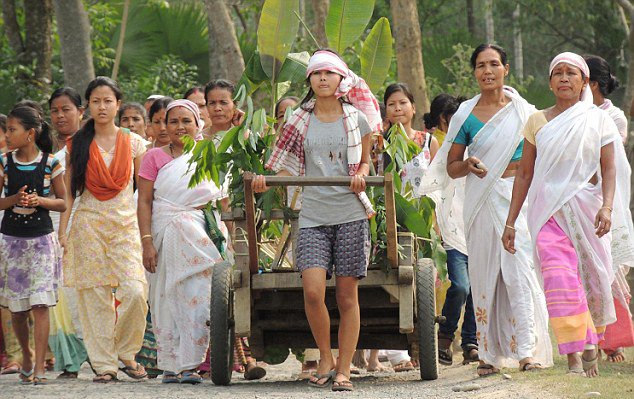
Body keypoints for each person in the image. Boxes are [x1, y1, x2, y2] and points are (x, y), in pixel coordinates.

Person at [417, 44, 553, 377]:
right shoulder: (464, 115)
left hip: (515, 200)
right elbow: (451, 167)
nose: (487, 71)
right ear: (474, 71)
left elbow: (539, 160)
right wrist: (468, 164)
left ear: (506, 68)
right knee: (483, 274)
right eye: (481, 65)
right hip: (479, 203)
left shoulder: (525, 112)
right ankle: (488, 353)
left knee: (518, 271)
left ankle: (526, 350)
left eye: (494, 64)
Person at [254, 49, 381, 392]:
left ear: (341, 80)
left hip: (351, 213)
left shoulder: (357, 119)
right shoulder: (297, 118)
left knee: (346, 296)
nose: (323, 79)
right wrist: (268, 180)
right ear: (309, 80)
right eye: (317, 74)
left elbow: (367, 163)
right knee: (312, 292)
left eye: (329, 73)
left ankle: (343, 368)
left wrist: (361, 175)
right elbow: (286, 165)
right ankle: (324, 356)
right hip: (312, 215)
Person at [503, 52, 634, 377]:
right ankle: (575, 356)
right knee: (559, 279)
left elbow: (609, 168)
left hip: (589, 214)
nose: (564, 78)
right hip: (547, 214)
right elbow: (524, 174)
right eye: (557, 73)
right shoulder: (537, 121)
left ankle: (591, 340)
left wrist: (606, 206)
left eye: (571, 73)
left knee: (590, 280)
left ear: (583, 82)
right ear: (549, 82)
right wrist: (510, 221)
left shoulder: (597, 119)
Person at [59, 76, 148, 383]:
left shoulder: (135, 143)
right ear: (88, 107)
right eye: (95, 101)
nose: (102, 106)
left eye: (107, 101)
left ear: (118, 104)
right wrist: (63, 231)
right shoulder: (77, 144)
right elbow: (69, 193)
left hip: (125, 225)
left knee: (135, 291)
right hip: (88, 224)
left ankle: (125, 352)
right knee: (94, 297)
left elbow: (146, 193)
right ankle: (105, 364)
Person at [137, 99, 226, 384]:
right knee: (164, 297)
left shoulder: (208, 154)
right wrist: (146, 242)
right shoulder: (153, 158)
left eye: (186, 120)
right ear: (165, 125)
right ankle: (170, 367)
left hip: (199, 237)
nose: (180, 127)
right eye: (173, 121)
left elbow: (220, 199)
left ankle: (191, 365)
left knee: (198, 297)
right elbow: (145, 202)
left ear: (197, 124)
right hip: (163, 235)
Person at [0, 104, 67, 385]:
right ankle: (26, 355)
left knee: (40, 304)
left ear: (29, 134)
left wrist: (39, 201)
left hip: (41, 240)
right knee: (17, 308)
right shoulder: (4, 162)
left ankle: (39, 366)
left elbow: (63, 202)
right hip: (12, 241)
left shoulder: (51, 163)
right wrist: (14, 200)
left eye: (12, 129)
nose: (8, 134)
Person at [417, 93, 479, 366]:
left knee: (478, 288)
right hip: (449, 230)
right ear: (445, 121)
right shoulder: (439, 150)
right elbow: (431, 189)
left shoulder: (479, 146)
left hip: (476, 225)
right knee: (461, 286)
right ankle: (445, 336)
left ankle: (470, 342)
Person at [585, 55, 634, 363]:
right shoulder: (571, 115)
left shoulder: (613, 117)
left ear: (592, 84)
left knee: (607, 270)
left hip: (604, 201)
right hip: (576, 201)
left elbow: (609, 162)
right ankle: (587, 338)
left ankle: (611, 341)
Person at [48, 87, 90, 379]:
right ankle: (71, 360)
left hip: (90, 224)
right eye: (55, 110)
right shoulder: (54, 154)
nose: (60, 115)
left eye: (66, 109)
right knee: (63, 295)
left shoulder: (94, 147)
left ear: (80, 112)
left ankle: (102, 356)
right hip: (56, 227)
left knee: (89, 292)